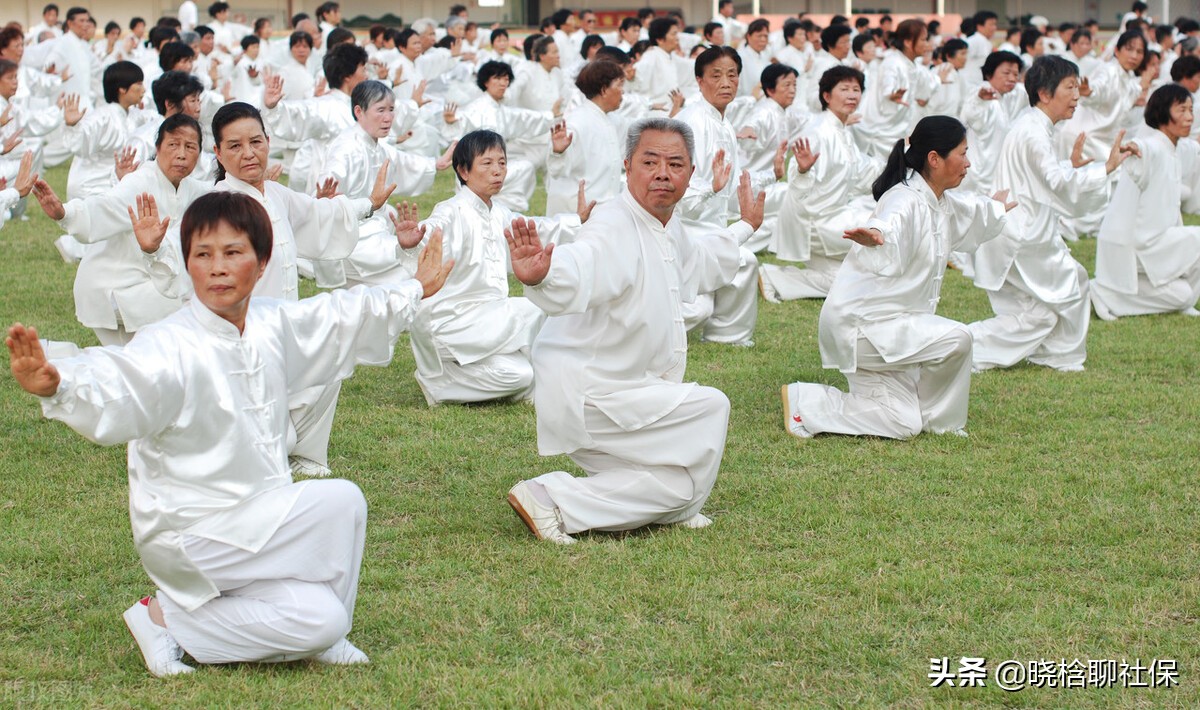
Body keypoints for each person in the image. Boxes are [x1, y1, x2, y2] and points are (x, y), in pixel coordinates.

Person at [6, 190, 451, 676]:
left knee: (327, 592)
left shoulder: (271, 324)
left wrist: (414, 290)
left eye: (232, 253)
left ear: (261, 265)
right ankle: (163, 617)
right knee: (341, 496)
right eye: (202, 254)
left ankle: (290, 631)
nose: (217, 267)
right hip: (191, 535)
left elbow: (342, 316)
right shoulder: (170, 344)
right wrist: (61, 385)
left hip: (259, 518)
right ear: (188, 264)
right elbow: (121, 377)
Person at [504, 117, 763, 544]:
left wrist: (745, 227)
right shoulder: (613, 223)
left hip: (631, 386)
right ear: (627, 166)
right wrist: (542, 277)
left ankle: (549, 500)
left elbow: (699, 259)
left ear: (690, 173)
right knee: (711, 406)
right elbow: (584, 261)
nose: (663, 173)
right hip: (594, 393)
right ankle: (555, 496)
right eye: (650, 161)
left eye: (675, 164)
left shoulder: (664, 223)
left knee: (680, 490)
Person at [781, 116, 1011, 441]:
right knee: (959, 338)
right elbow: (892, 223)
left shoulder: (939, 202)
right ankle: (941, 421)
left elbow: (971, 215)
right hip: (862, 328)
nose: (968, 162)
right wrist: (877, 233)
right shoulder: (905, 199)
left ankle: (806, 403)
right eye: (962, 153)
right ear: (934, 158)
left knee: (903, 423)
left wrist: (996, 210)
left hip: (890, 329)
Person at [969, 56, 1138, 372]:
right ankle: (966, 345)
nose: (1076, 96)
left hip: (1023, 230)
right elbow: (1056, 185)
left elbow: (1041, 178)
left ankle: (1060, 353)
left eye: (1077, 87)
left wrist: (1070, 166)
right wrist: (1105, 169)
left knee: (1068, 286)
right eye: (1070, 87)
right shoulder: (1033, 131)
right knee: (1049, 306)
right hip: (1023, 237)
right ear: (1045, 94)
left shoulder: (1032, 125)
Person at [410, 129, 584, 406]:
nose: (498, 171)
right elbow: (429, 235)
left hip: (486, 322)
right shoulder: (450, 210)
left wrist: (577, 221)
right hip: (450, 322)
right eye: (487, 163)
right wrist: (411, 243)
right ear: (464, 171)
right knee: (533, 310)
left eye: (502, 163)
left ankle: (444, 383)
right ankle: (441, 374)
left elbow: (536, 228)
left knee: (520, 375)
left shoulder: (498, 212)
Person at [31, 114, 209, 345]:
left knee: (132, 368)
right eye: (173, 145)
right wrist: (64, 213)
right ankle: (54, 363)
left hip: (143, 286)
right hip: (112, 289)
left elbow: (220, 194)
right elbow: (103, 205)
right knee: (190, 301)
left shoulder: (190, 188)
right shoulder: (139, 182)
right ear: (158, 147)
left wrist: (254, 185)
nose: (182, 154)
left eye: (190, 147)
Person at [760, 66, 882, 302]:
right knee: (878, 231)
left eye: (856, 89)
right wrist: (804, 169)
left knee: (849, 285)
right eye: (844, 89)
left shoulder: (843, 131)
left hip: (833, 216)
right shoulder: (818, 131)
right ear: (827, 96)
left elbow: (862, 172)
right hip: (815, 221)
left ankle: (771, 276)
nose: (851, 95)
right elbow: (795, 175)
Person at [318, 80, 451, 289]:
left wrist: (436, 163)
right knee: (410, 262)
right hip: (354, 237)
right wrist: (323, 201)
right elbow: (328, 185)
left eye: (391, 110)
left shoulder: (376, 145)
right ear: (359, 111)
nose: (388, 117)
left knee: (417, 248)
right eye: (380, 110)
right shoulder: (346, 148)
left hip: (376, 227)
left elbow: (402, 161)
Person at [1092, 84, 1200, 319]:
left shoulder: (1175, 148)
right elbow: (1143, 150)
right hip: (1137, 244)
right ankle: (1103, 292)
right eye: (1182, 110)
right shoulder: (1152, 146)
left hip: (1157, 242)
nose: (1189, 117)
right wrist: (1133, 147)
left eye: (1191, 110)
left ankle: (1106, 293)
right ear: (1162, 113)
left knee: (1184, 295)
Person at [545, 59, 626, 215]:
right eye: (619, 85)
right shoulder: (577, 123)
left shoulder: (609, 119)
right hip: (578, 213)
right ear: (604, 90)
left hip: (603, 209)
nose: (623, 91)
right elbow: (557, 170)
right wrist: (558, 152)